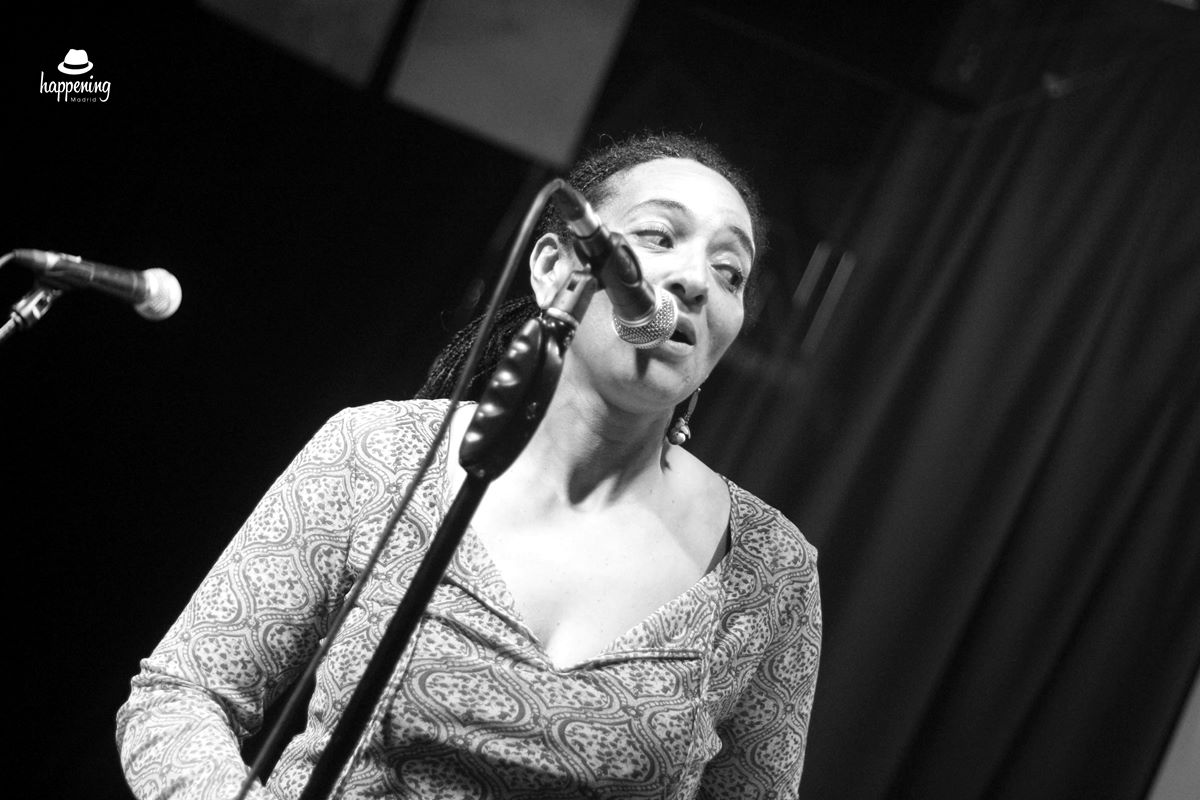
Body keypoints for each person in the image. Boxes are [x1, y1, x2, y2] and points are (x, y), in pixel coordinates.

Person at [116, 131, 822, 799]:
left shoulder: (770, 569)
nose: (696, 280)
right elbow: (182, 695)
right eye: (659, 237)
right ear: (555, 268)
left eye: (729, 272)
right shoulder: (379, 452)